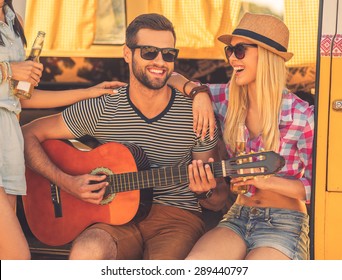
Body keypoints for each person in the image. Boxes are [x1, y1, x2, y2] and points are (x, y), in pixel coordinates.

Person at [22, 13, 228, 260]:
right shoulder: (103, 107)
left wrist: (205, 192)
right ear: (128, 54)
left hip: (176, 219)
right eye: (149, 52)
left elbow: (217, 201)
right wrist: (66, 183)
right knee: (87, 252)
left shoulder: (195, 115)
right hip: (111, 216)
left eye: (168, 54)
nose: (160, 62)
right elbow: (28, 134)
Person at [169, 12, 314, 260]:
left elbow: (313, 188)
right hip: (238, 216)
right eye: (229, 51)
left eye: (239, 50)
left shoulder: (302, 115)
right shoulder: (226, 99)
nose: (232, 59)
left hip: (285, 223)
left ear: (268, 55)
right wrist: (197, 92)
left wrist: (263, 181)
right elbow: (169, 77)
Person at [0, 0, 122, 260]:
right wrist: (9, 70)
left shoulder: (14, 21)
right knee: (16, 258)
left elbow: (21, 98)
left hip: (9, 140)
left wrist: (87, 93)